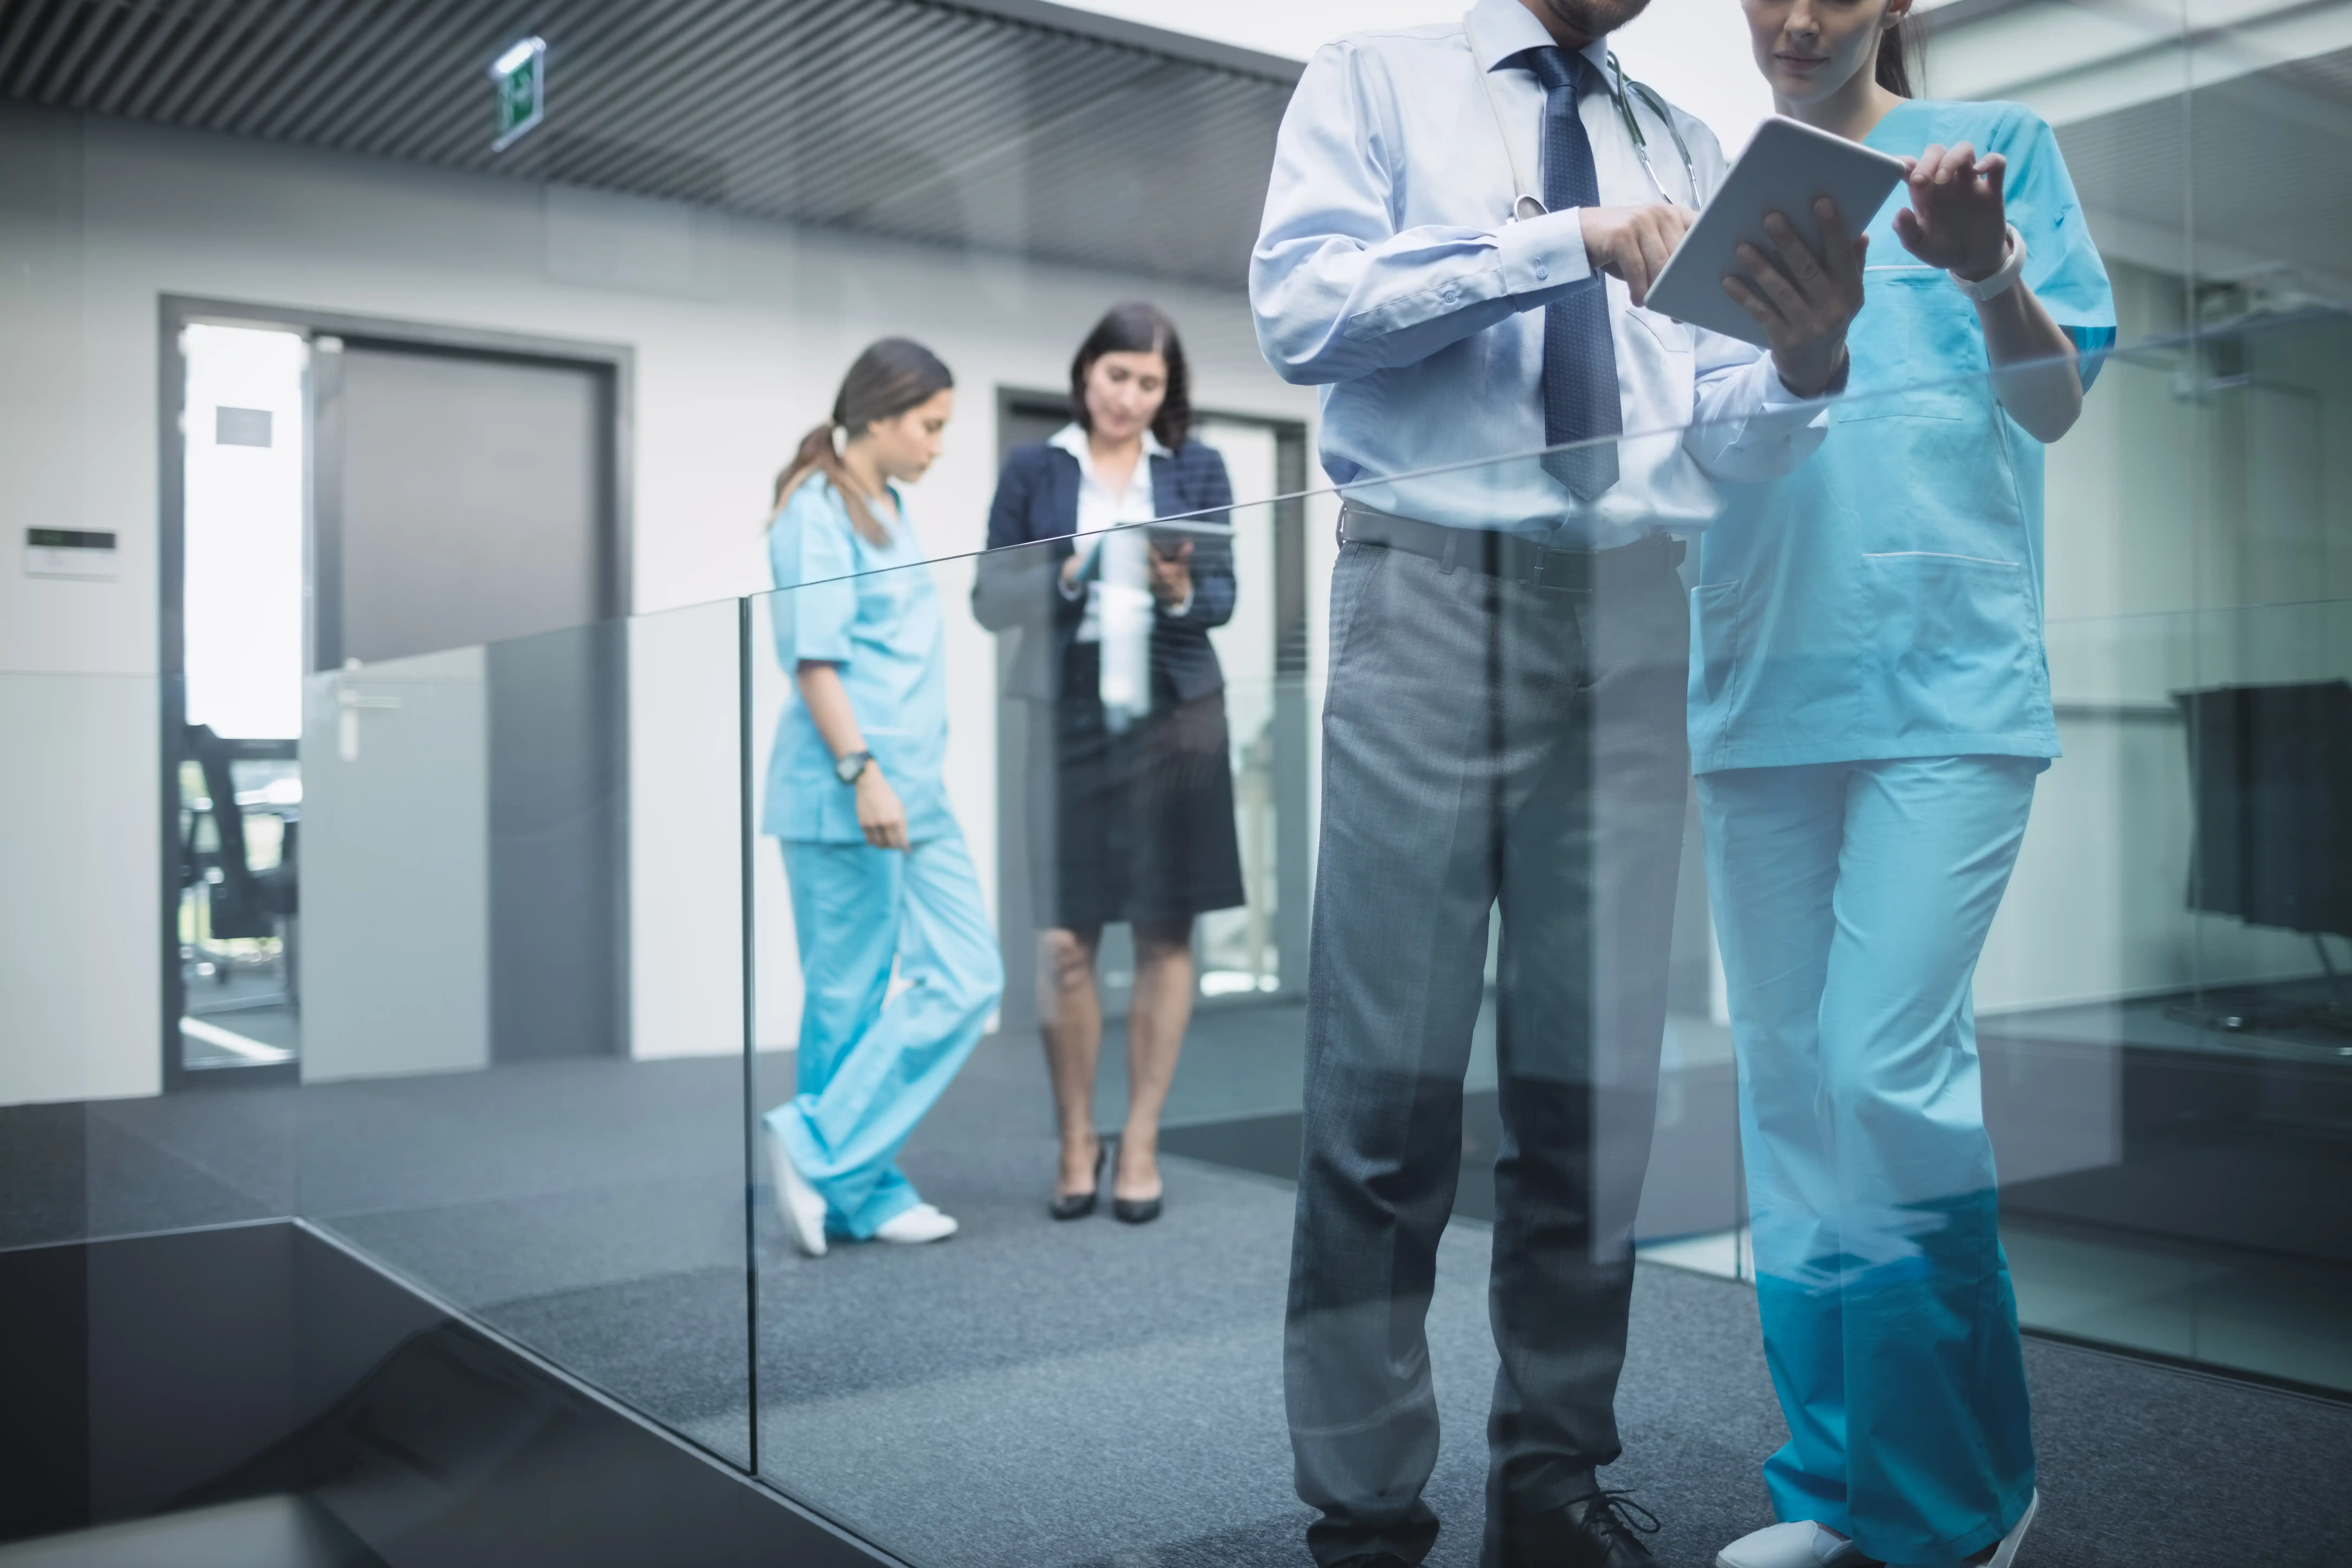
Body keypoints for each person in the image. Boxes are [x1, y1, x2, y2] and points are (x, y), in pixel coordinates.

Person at [1250, 0, 1868, 1562]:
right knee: (1383, 1095)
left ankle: (1553, 1481)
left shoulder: (1692, 142)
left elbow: (1725, 437)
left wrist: (1805, 362)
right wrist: (1565, 242)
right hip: (1430, 595)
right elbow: (1303, 311)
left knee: (1592, 1100)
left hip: (1632, 610)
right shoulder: (1379, 83)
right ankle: (1368, 1509)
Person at [1693, 3, 2114, 1566]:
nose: (1797, 17)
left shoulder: (1992, 155)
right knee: (1794, 1102)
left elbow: (2056, 404)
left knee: (1886, 1077)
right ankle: (1836, 1485)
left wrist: (1987, 272)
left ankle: (1962, 1502)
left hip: (1943, 686)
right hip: (1756, 690)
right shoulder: (1711, 181)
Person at [973, 302, 1243, 1226]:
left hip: (1175, 706)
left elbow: (1223, 597)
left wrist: (1177, 588)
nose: (1129, 397)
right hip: (1068, 707)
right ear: (1085, 371)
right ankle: (1076, 1136)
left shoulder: (1198, 466)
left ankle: (1141, 1140)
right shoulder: (1034, 467)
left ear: (1170, 393)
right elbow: (988, 597)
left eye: (1150, 383)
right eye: (1116, 375)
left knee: (1168, 932)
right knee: (1065, 941)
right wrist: (1067, 570)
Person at [759, 338, 1004, 1259]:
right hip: (847, 785)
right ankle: (855, 1189)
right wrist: (862, 774)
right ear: (879, 416)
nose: (939, 445)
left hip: (916, 786)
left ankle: (822, 1150)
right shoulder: (815, 511)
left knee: (970, 974)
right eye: (931, 426)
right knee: (848, 996)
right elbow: (815, 662)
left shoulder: (885, 506)